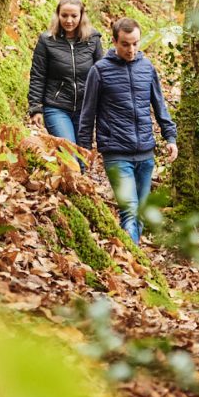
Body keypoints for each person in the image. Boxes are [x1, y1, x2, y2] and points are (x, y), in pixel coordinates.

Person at [77, 17, 178, 244]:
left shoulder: (147, 67)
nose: (131, 49)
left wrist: (170, 136)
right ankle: (133, 272)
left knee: (139, 213)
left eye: (135, 43)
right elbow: (87, 114)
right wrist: (83, 152)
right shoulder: (99, 71)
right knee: (129, 211)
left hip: (145, 152)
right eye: (125, 44)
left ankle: (133, 263)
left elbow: (159, 104)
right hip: (116, 153)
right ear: (114, 41)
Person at [27, 0, 104, 161]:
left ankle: (72, 186)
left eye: (74, 16)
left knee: (82, 159)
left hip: (85, 109)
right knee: (70, 154)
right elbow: (38, 75)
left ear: (81, 16)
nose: (69, 20)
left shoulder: (93, 40)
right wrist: (35, 108)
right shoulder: (46, 40)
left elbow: (102, 74)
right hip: (56, 107)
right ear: (58, 15)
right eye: (64, 15)